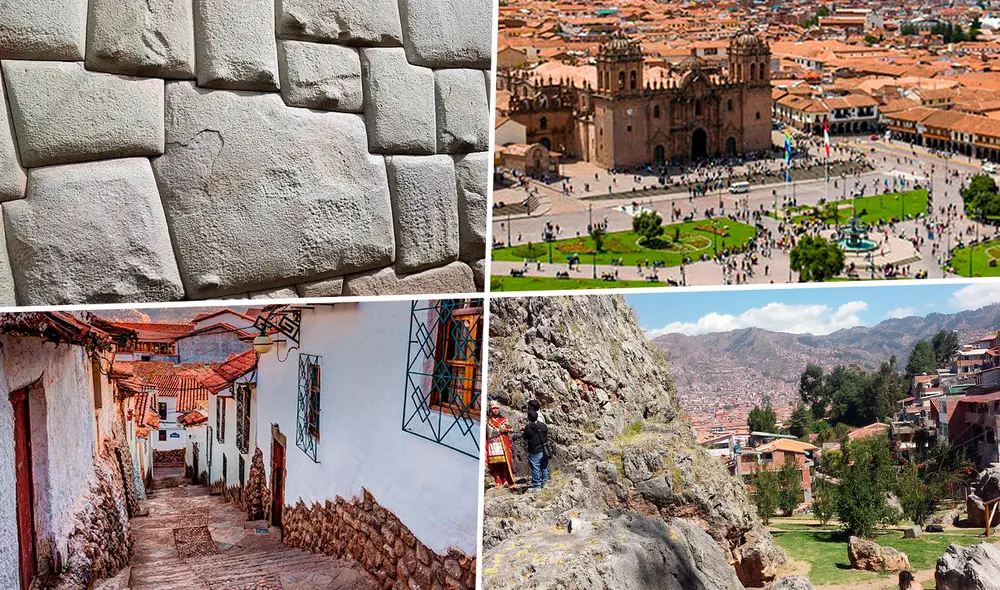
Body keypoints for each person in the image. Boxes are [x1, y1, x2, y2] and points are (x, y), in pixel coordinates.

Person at [486, 402, 515, 487]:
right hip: (493, 443)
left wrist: (508, 429)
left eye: (497, 408)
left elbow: (510, 428)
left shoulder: (504, 419)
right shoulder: (488, 420)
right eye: (494, 408)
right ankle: (497, 478)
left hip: (503, 443)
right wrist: (500, 430)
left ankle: (505, 478)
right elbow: (490, 432)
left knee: (504, 462)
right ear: (491, 409)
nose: (495, 410)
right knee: (495, 463)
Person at [522, 409, 550, 491]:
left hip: (534, 450)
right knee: (544, 466)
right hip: (544, 449)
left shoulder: (528, 427)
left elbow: (525, 436)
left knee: (535, 468)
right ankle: (545, 483)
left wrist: (523, 430)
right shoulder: (543, 425)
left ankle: (537, 486)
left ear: (529, 418)